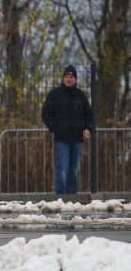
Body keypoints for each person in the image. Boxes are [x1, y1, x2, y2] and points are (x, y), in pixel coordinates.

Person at [41, 65, 91, 194]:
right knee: (62, 168)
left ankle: (72, 195)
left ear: (75, 79)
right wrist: (55, 128)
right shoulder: (54, 94)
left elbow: (89, 115)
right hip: (61, 139)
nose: (69, 79)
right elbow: (45, 114)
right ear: (63, 78)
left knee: (74, 169)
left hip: (77, 139)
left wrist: (87, 128)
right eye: (67, 77)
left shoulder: (81, 96)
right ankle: (60, 195)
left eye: (71, 77)